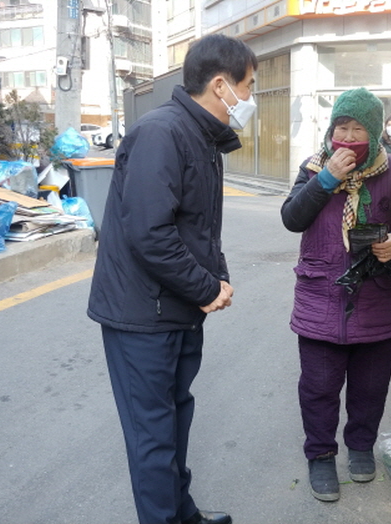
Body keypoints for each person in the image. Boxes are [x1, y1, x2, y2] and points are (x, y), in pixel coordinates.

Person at [87, 34, 258, 524]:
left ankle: (182, 514)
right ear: (221, 86)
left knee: (175, 420)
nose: (249, 99)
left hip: (175, 309)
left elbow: (198, 228)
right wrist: (205, 288)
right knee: (153, 437)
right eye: (247, 87)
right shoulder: (162, 133)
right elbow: (150, 233)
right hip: (142, 315)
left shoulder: (202, 138)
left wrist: (217, 277)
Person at [280, 88, 391, 502]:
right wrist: (328, 179)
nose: (347, 137)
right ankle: (321, 455)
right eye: (341, 128)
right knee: (318, 387)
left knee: (371, 386)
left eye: (357, 129)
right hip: (319, 297)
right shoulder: (312, 169)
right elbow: (292, 218)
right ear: (330, 131)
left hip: (376, 298)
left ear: (376, 133)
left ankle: (361, 446)